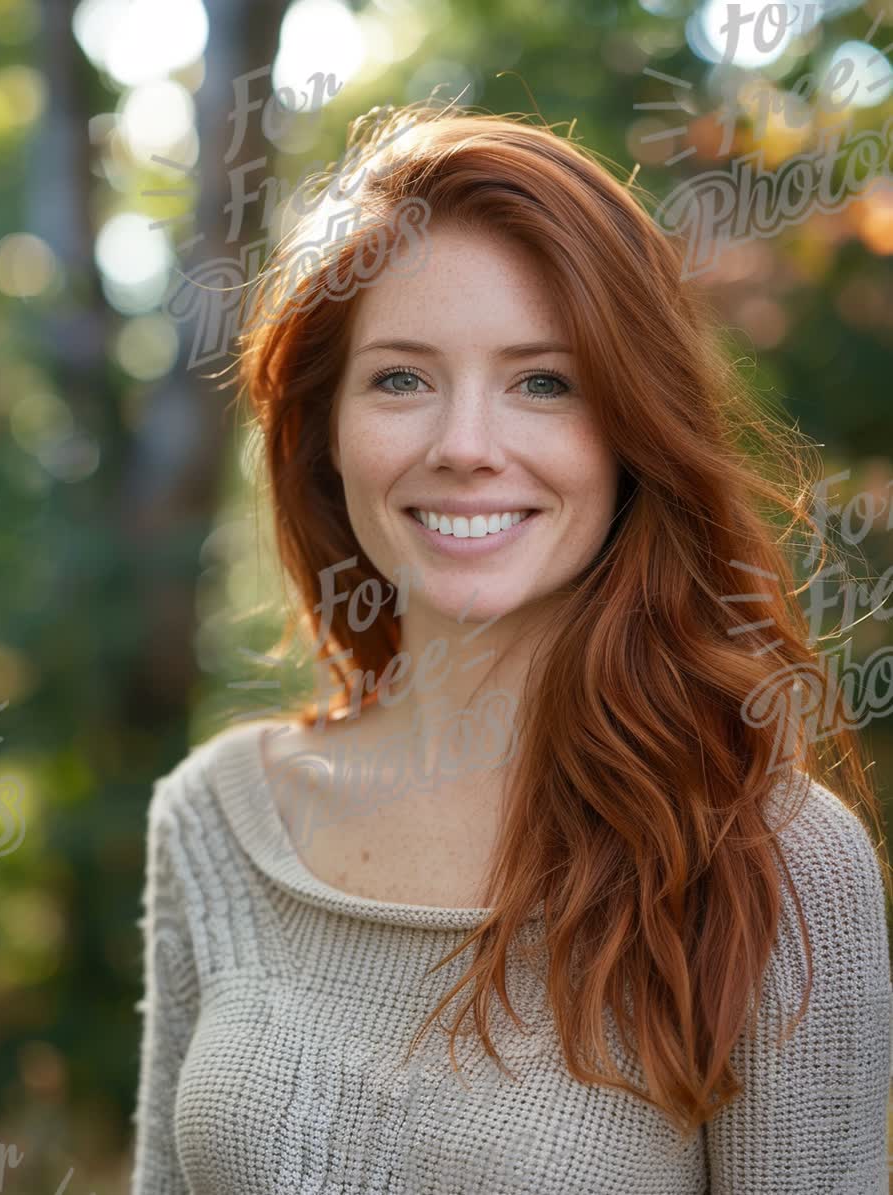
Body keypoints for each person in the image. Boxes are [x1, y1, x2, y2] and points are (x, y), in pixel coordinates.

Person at [130, 102, 892, 1193]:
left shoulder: (772, 857)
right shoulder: (213, 817)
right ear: (326, 431)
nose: (467, 448)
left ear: (632, 429)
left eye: (544, 381)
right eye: (401, 378)